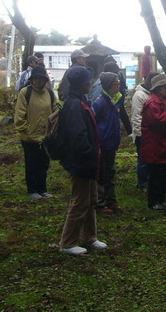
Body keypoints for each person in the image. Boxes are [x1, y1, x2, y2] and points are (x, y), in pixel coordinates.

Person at [58, 66, 107, 256]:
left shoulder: (81, 101)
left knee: (91, 200)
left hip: (88, 161)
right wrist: (88, 156)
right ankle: (68, 242)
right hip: (81, 162)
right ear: (82, 84)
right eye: (88, 80)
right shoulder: (74, 106)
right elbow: (78, 137)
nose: (91, 82)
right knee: (79, 202)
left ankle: (90, 237)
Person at [14, 66, 56, 200]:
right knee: (31, 164)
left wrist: (53, 130)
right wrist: (26, 129)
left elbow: (55, 111)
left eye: (41, 79)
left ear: (45, 80)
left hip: (45, 137)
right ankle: (32, 189)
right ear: (32, 80)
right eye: (36, 79)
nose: (38, 81)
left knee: (44, 164)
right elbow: (19, 114)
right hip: (29, 137)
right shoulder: (25, 93)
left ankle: (42, 189)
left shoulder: (49, 93)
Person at [141, 73, 166, 211]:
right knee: (155, 175)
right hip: (155, 145)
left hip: (163, 144)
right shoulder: (153, 103)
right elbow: (160, 121)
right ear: (157, 88)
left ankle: (162, 199)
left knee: (164, 173)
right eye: (164, 87)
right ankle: (153, 202)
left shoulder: (163, 101)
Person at [93, 72, 131, 213]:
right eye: (116, 83)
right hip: (102, 144)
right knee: (102, 174)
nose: (118, 86)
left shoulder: (115, 100)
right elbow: (94, 124)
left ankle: (111, 201)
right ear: (109, 85)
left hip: (111, 143)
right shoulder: (100, 103)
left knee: (110, 172)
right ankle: (100, 203)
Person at [130, 71, 159, 190]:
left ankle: (148, 181)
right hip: (142, 133)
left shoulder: (151, 94)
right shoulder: (139, 96)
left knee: (150, 159)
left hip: (151, 133)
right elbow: (136, 117)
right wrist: (139, 134)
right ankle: (142, 183)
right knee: (143, 159)